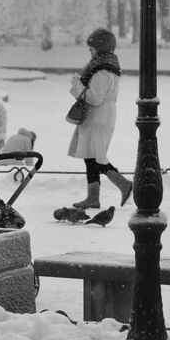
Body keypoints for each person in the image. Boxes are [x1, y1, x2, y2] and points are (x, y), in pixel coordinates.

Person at [68, 28, 132, 209]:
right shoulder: (107, 68)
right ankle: (93, 197)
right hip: (101, 116)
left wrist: (76, 84)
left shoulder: (102, 71)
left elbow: (95, 98)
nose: (90, 50)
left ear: (100, 48)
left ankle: (123, 184)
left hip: (98, 116)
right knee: (91, 156)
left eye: (92, 47)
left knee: (96, 157)